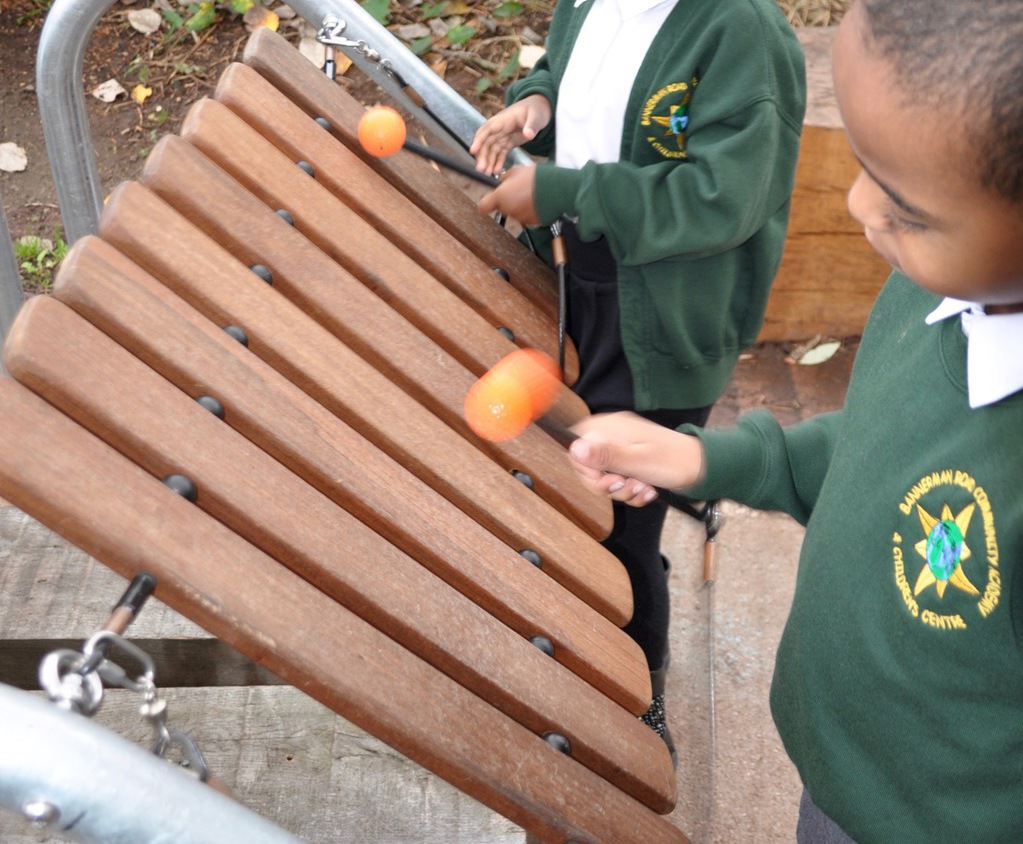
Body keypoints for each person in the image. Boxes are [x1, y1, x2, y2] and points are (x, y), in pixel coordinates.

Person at [565, 0, 1023, 840]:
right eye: (862, 165)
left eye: (905, 207)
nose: (856, 206)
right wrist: (706, 462)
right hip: (840, 777)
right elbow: (876, 446)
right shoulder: (941, 291)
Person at [469, 0, 807, 757]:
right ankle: (597, 617)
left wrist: (563, 190)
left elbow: (722, 199)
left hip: (663, 313)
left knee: (623, 526)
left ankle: (637, 695)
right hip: (575, 272)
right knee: (570, 485)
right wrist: (537, 102)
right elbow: (571, 68)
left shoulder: (739, 32)